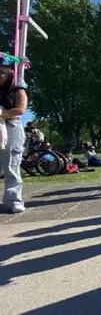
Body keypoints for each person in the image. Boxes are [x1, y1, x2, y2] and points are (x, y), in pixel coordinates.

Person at [0, 66, 27, 213]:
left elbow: (20, 110)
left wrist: (2, 113)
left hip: (11, 126)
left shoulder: (18, 90)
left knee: (12, 164)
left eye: (1, 73)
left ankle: (14, 200)